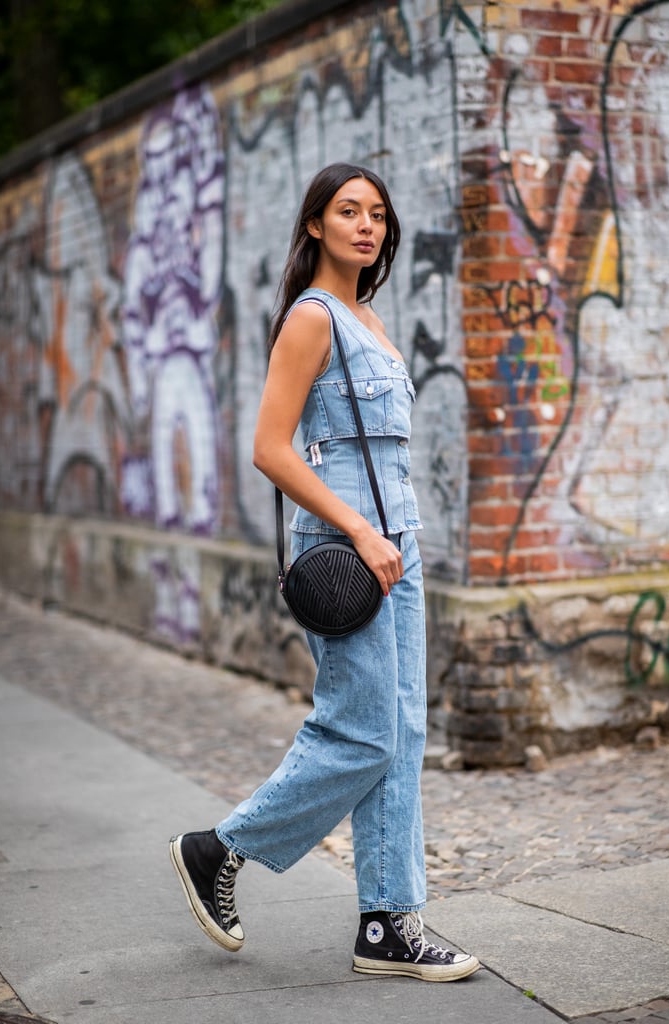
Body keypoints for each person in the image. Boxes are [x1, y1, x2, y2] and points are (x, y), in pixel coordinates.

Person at [169, 162, 480, 982]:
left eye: (376, 213)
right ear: (315, 225)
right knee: (361, 729)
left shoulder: (367, 316)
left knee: (404, 732)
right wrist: (360, 530)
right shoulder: (312, 319)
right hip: (347, 547)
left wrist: (395, 538)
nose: (365, 225)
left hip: (396, 541)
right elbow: (270, 448)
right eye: (347, 211)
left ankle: (386, 923)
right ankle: (219, 849)